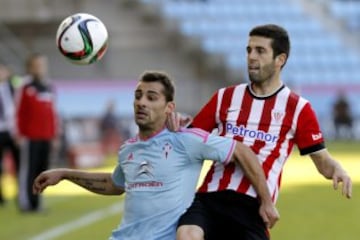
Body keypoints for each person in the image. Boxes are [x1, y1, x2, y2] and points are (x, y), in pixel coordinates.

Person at [33, 71, 279, 239]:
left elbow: (241, 151)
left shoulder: (186, 140)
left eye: (152, 98)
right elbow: (115, 184)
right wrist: (64, 174)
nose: (142, 102)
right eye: (138, 96)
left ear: (169, 107)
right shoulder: (128, 148)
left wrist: (266, 201)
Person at [172, 24, 352, 240]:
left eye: (260, 51)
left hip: (252, 208)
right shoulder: (225, 97)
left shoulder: (298, 108)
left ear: (280, 59)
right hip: (210, 197)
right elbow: (188, 142)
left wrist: (337, 169)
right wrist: (179, 126)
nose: (251, 57)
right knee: (187, 235)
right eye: (249, 50)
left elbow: (322, 161)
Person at [17, 53, 58, 212]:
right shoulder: (24, 86)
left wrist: (54, 135)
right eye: (37, 65)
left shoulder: (49, 86)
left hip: (46, 136)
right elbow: (17, 112)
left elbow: (53, 113)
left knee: (43, 171)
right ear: (30, 67)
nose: (40, 68)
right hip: (30, 137)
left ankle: (38, 202)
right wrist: (19, 134)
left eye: (42, 64)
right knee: (28, 171)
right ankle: (26, 203)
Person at [0, 63, 20, 205]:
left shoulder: (14, 88)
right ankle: (1, 197)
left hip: (13, 131)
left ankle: (21, 194)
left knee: (19, 164)